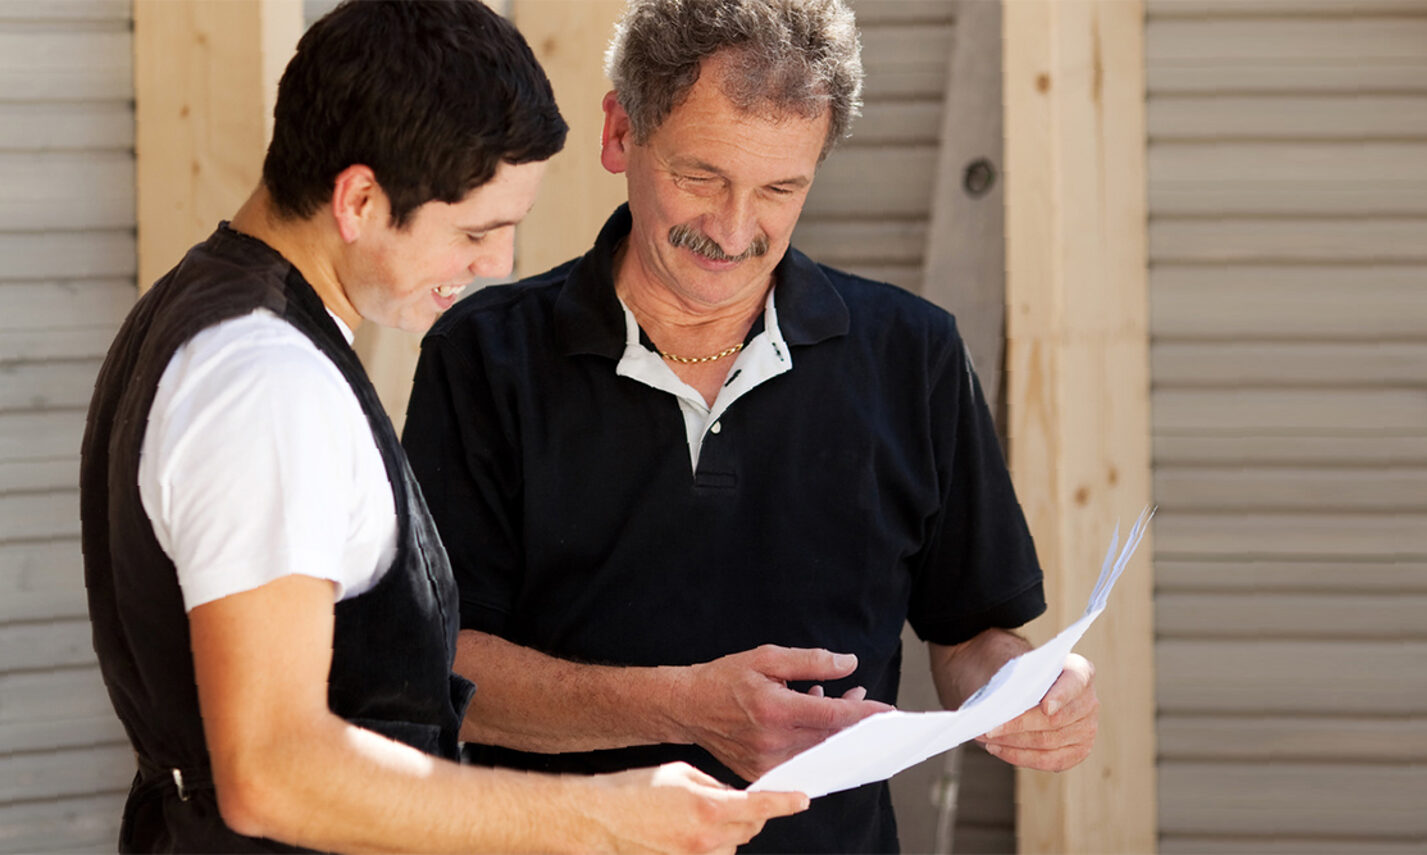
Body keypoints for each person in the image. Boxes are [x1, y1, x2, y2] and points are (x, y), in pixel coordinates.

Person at [79, 2, 808, 852]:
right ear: (359, 198)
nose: (495, 266)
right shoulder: (266, 382)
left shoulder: (204, 312)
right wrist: (608, 816)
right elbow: (272, 769)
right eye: (475, 231)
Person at [402, 0, 1101, 852]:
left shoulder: (912, 354)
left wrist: (1030, 689)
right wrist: (681, 706)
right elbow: (439, 664)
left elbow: (971, 634)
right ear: (621, 133)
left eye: (780, 189)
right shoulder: (483, 358)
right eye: (702, 178)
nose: (735, 232)